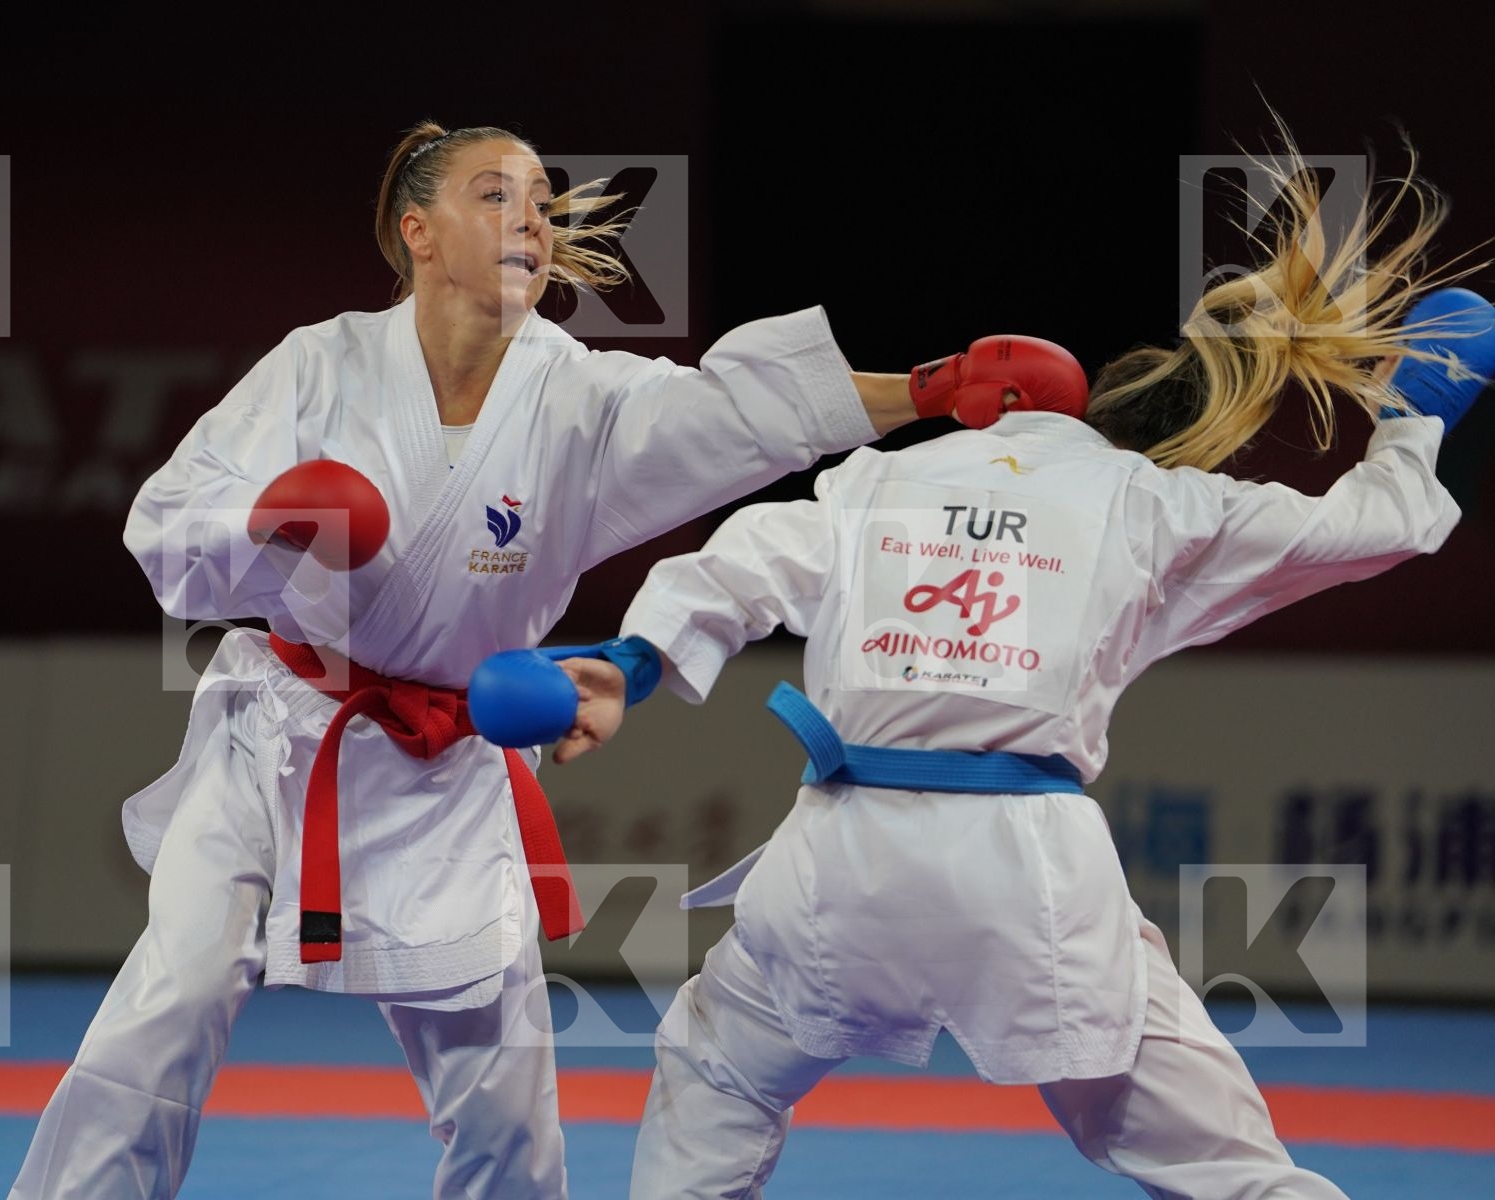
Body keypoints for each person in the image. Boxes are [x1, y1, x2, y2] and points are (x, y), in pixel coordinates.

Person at [7, 118, 1081, 1200]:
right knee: (167, 1005)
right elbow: (169, 525)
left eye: (539, 202)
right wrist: (272, 517)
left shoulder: (581, 401)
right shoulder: (319, 367)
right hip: (280, 742)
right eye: (494, 195)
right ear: (418, 233)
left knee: (505, 1106)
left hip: (450, 769)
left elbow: (737, 413)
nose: (528, 219)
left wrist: (932, 390)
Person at [544, 128, 1493, 1198]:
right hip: (1030, 874)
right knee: (1222, 1162)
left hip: (841, 864)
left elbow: (735, 565)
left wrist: (630, 663)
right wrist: (1413, 418)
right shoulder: (1156, 502)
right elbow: (1377, 530)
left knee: (716, 1072)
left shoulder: (874, 482)